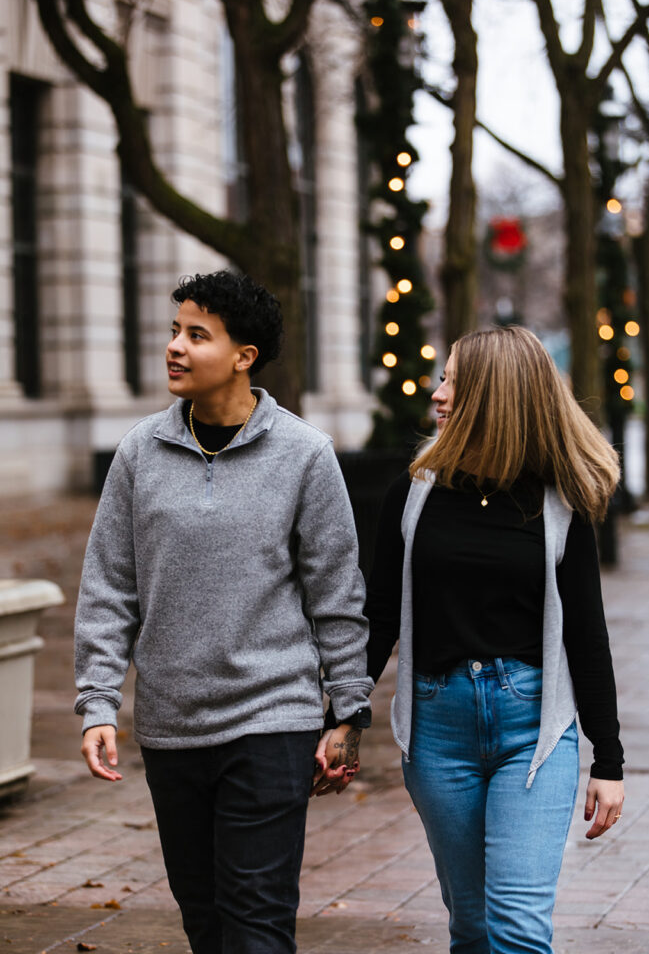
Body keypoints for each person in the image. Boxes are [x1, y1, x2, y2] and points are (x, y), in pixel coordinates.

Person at [74, 269, 372, 954]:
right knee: (205, 920)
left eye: (196, 335)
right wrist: (96, 703)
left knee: (257, 922)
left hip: (271, 719)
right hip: (172, 725)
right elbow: (109, 588)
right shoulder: (139, 452)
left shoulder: (305, 455)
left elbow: (337, 598)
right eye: (175, 331)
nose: (175, 347)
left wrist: (346, 713)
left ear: (244, 357)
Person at [364, 326, 625, 954]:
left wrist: (608, 760)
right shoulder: (414, 493)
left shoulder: (562, 502)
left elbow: (587, 635)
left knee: (517, 930)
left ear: (492, 393)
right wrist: (344, 715)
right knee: (473, 928)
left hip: (532, 731)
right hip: (437, 730)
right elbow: (377, 619)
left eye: (452, 378)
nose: (438, 392)